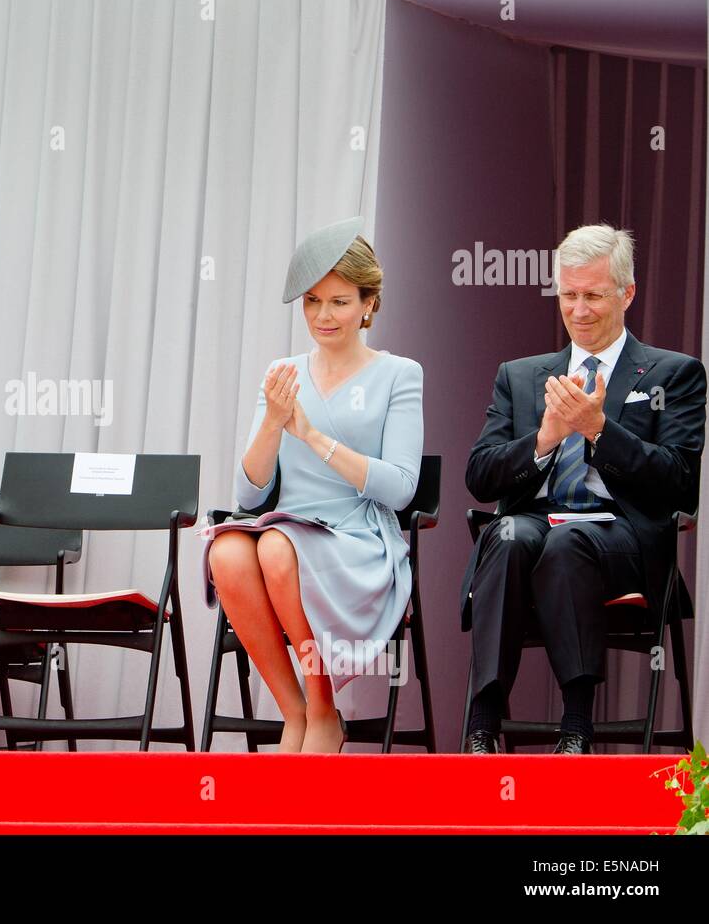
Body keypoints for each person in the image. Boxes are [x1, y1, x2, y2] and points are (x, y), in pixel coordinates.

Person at [461, 224, 705, 754]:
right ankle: (481, 726)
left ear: (627, 293)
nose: (580, 310)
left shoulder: (673, 374)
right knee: (504, 536)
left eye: (594, 295)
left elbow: (681, 485)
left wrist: (599, 431)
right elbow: (480, 476)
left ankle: (576, 729)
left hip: (623, 539)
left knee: (569, 543)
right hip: (533, 528)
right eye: (569, 295)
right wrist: (545, 438)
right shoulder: (522, 376)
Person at [206, 217, 423, 754]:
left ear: (369, 303)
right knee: (228, 551)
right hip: (287, 525)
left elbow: (400, 489)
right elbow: (251, 496)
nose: (323, 316)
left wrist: (313, 435)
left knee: (278, 548)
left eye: (340, 302)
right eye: (312, 301)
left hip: (358, 539)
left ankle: (324, 707)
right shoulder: (283, 371)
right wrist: (273, 425)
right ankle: (294, 709)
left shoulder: (399, 374)